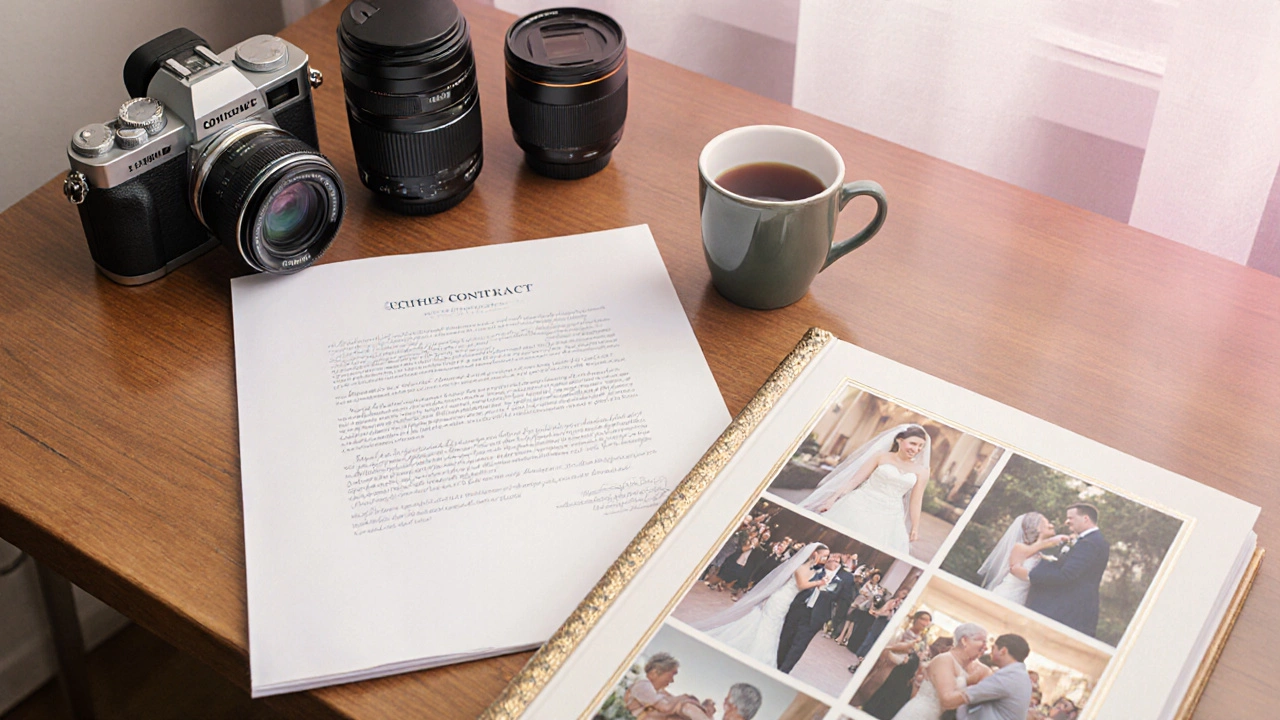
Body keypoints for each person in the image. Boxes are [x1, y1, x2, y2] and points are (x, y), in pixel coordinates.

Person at [690, 543, 830, 667]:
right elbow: (801, 585)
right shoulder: (799, 567)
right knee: (768, 624)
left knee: (774, 626)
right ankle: (759, 655)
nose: (825, 559)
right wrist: (819, 583)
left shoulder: (813, 568)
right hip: (780, 599)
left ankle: (761, 652)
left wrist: (820, 576)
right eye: (823, 556)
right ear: (814, 554)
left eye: (826, 557)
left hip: (787, 602)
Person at [804, 424, 932, 555]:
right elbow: (855, 480)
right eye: (913, 443)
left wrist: (915, 528)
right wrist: (832, 500)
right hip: (859, 503)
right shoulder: (881, 456)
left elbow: (916, 501)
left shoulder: (922, 471)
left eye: (920, 446)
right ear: (899, 440)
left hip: (889, 515)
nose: (916, 449)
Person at [1026, 503, 1110, 637]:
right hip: (1067, 606)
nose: (1067, 522)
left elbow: (1067, 575)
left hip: (1071, 609)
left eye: (1071, 518)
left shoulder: (1091, 543)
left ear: (1085, 519)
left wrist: (1034, 574)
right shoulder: (1087, 540)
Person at [892, 623, 991, 720]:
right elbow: (946, 700)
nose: (986, 647)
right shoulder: (944, 660)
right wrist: (976, 688)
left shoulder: (972, 666)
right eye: (982, 641)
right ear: (964, 640)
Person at [977, 513, 1069, 605]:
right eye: (1047, 523)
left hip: (1023, 600)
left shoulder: (1039, 552)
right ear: (1037, 528)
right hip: (1007, 597)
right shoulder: (1020, 547)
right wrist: (1049, 542)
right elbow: (1014, 569)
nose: (1052, 525)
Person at [778, 554, 849, 672]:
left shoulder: (844, 578)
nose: (833, 560)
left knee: (799, 645)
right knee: (786, 637)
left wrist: (833, 620)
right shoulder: (816, 568)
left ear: (839, 564)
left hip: (817, 615)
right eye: (831, 557)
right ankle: (777, 663)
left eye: (837, 560)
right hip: (800, 607)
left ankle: (784, 670)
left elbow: (844, 601)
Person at [852, 610, 932, 706]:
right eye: (923, 619)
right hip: (890, 665)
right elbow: (889, 648)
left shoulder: (922, 640)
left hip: (903, 674)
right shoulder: (902, 632)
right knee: (870, 690)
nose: (925, 623)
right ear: (916, 619)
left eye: (928, 621)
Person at [957, 634, 1034, 720]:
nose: (990, 652)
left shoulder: (1009, 677)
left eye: (993, 648)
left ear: (1003, 651)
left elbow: (966, 695)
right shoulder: (1019, 675)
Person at [623, 652, 716, 720]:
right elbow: (666, 707)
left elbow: (672, 701)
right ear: (655, 672)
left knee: (686, 709)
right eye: (671, 674)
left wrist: (703, 707)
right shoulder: (642, 685)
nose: (672, 680)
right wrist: (685, 698)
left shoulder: (659, 692)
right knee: (686, 707)